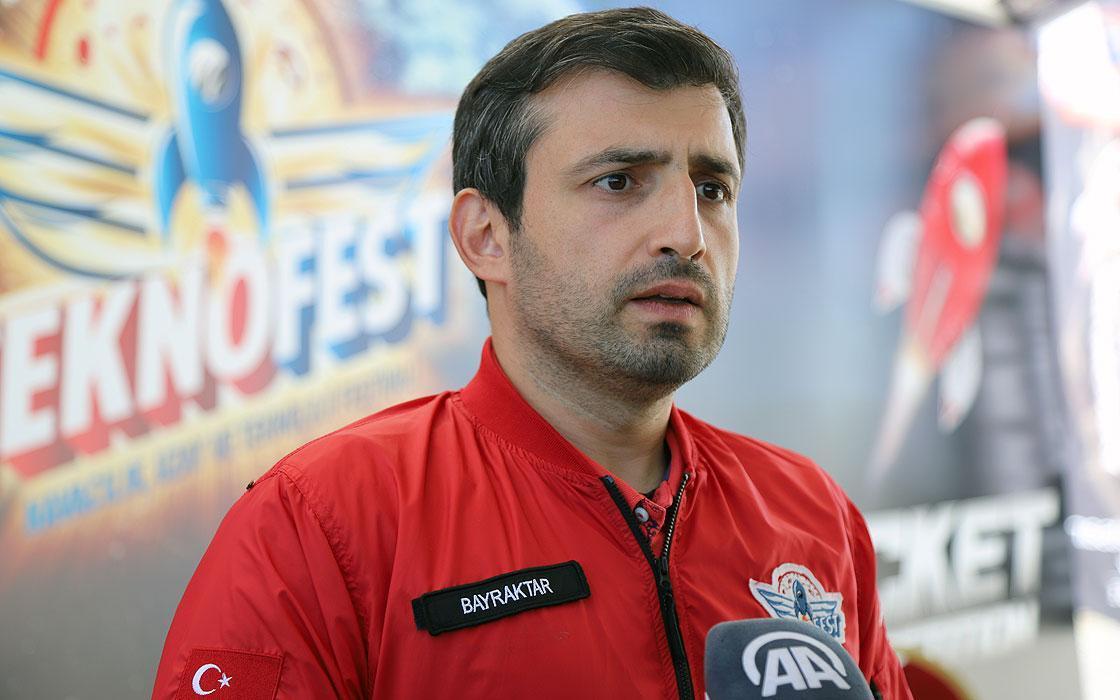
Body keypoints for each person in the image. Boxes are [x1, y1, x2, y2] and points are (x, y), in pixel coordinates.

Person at [154, 7, 913, 699]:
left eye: (712, 189)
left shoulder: (813, 515)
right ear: (486, 237)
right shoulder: (318, 526)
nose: (686, 234)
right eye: (618, 182)